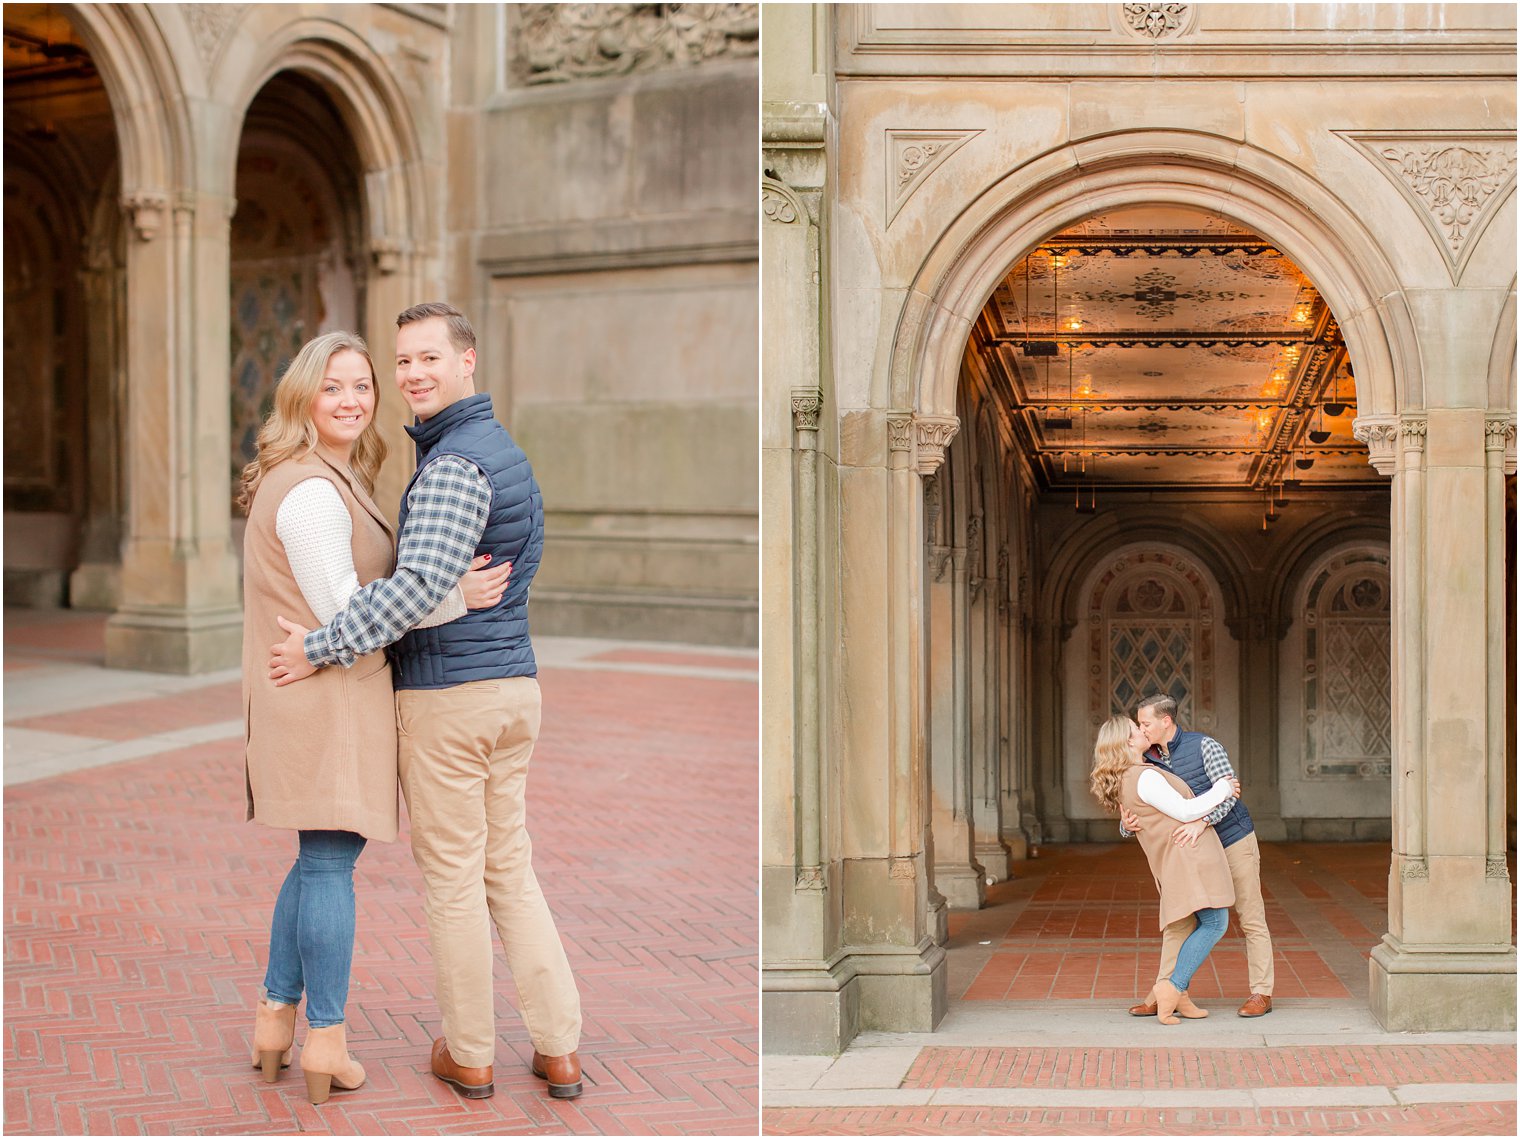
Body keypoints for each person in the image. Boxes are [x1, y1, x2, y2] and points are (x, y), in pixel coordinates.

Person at [267, 302, 584, 1102]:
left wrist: (316, 644)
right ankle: (559, 1047)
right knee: (510, 869)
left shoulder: (450, 467)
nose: (412, 374)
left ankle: (471, 1053)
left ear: (467, 361)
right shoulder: (502, 452)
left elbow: (411, 591)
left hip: (454, 697)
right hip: (512, 687)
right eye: (402, 361)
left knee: (454, 878)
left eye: (428, 359)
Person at [239, 331, 507, 1106]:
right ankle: (326, 1035)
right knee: (328, 864)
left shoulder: (325, 474)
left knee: (315, 858)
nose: (353, 399)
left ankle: (274, 1019)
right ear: (302, 398)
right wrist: (453, 596)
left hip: (319, 694)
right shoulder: (315, 491)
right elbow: (346, 612)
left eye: (362, 386)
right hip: (330, 698)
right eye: (334, 388)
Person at [1121, 694, 1275, 1018]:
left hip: (1232, 840)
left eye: (1145, 723)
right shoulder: (1146, 761)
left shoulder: (1205, 746)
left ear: (1165, 721)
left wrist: (1200, 821)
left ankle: (1261, 992)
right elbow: (1144, 807)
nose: (1141, 729)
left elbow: (1230, 793)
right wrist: (1125, 825)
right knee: (1179, 922)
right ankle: (1164, 991)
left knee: (1250, 917)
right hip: (1193, 854)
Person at [1091, 715, 1240, 1024]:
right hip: (1187, 856)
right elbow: (1185, 810)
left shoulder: (1129, 776)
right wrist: (1223, 789)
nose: (1142, 729)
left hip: (1175, 858)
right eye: (1136, 728)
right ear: (1129, 741)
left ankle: (1177, 996)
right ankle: (1172, 988)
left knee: (1182, 926)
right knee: (1215, 922)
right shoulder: (1144, 777)